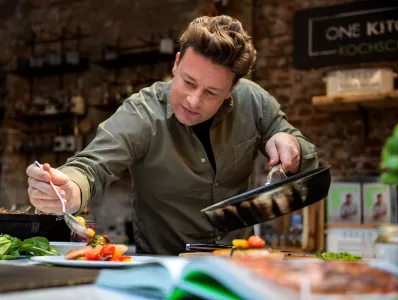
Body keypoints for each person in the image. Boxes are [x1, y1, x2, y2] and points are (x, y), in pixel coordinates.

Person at [26, 15, 318, 255]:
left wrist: (291, 147)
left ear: (232, 89)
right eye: (188, 82)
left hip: (239, 264)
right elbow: (91, 167)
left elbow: (306, 157)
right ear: (177, 63)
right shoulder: (142, 112)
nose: (193, 100)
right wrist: (67, 190)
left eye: (211, 92)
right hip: (164, 269)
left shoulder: (254, 102)